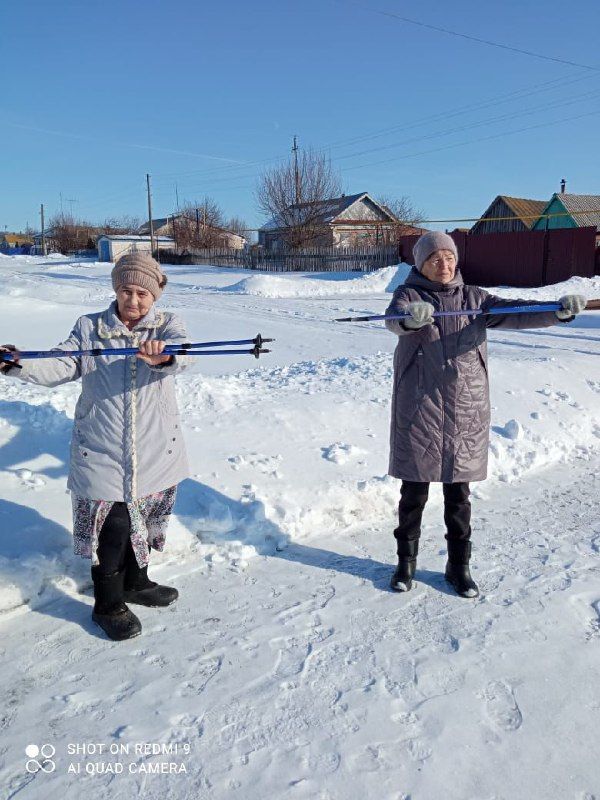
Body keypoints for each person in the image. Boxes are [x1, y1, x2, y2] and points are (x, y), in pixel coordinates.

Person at [0, 252, 190, 640]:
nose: (132, 300)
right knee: (113, 527)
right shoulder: (90, 328)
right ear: (115, 290)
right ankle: (107, 604)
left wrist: (164, 356)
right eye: (125, 291)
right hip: (102, 447)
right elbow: (61, 363)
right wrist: (18, 364)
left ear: (154, 296)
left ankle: (136, 583)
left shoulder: (168, 325)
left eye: (141, 293)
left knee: (142, 518)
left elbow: (183, 354)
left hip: (155, 447)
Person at [385, 231, 586, 598]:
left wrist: (558, 311)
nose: (444, 264)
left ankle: (458, 567)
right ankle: (405, 564)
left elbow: (518, 311)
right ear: (421, 264)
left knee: (458, 497)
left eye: (449, 257)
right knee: (413, 494)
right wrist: (412, 319)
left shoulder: (475, 299)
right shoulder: (408, 295)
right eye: (435, 259)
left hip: (465, 409)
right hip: (419, 408)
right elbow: (395, 319)